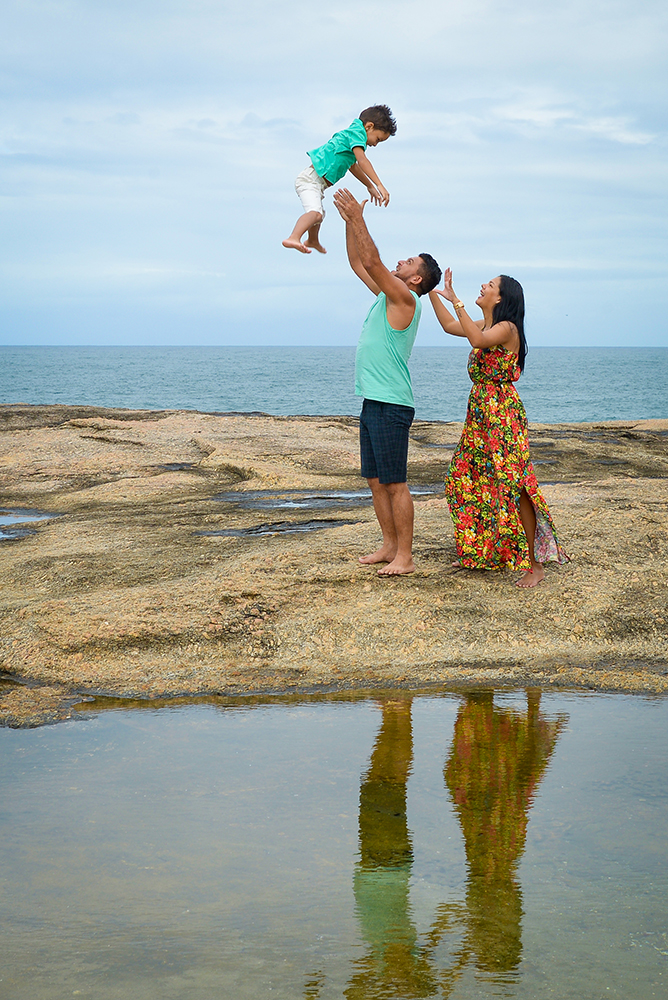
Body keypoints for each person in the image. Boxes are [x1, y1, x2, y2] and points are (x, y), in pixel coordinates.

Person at [429, 270, 568, 587]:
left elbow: (477, 341)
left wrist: (458, 301)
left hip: (502, 416)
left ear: (501, 298)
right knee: (466, 479)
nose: (483, 286)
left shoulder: (507, 328)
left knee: (515, 488)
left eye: (490, 285)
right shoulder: (487, 325)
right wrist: (434, 294)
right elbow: (451, 327)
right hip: (480, 415)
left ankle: (535, 566)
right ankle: (482, 551)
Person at [333, 187, 441, 576]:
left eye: (409, 260)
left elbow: (374, 260)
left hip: (393, 403)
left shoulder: (406, 301)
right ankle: (389, 547)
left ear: (416, 279)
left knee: (395, 482)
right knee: (376, 481)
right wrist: (350, 223)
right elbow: (358, 262)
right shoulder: (387, 295)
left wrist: (360, 219)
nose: (401, 260)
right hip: (372, 400)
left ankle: (406, 558)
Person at [282, 105, 396, 255]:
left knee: (319, 214)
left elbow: (353, 166)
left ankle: (312, 240)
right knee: (315, 214)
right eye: (378, 139)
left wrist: (369, 186)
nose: (375, 144)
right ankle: (294, 237)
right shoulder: (356, 134)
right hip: (310, 180)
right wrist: (379, 184)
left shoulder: (352, 137)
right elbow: (362, 161)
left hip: (316, 182)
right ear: (369, 126)